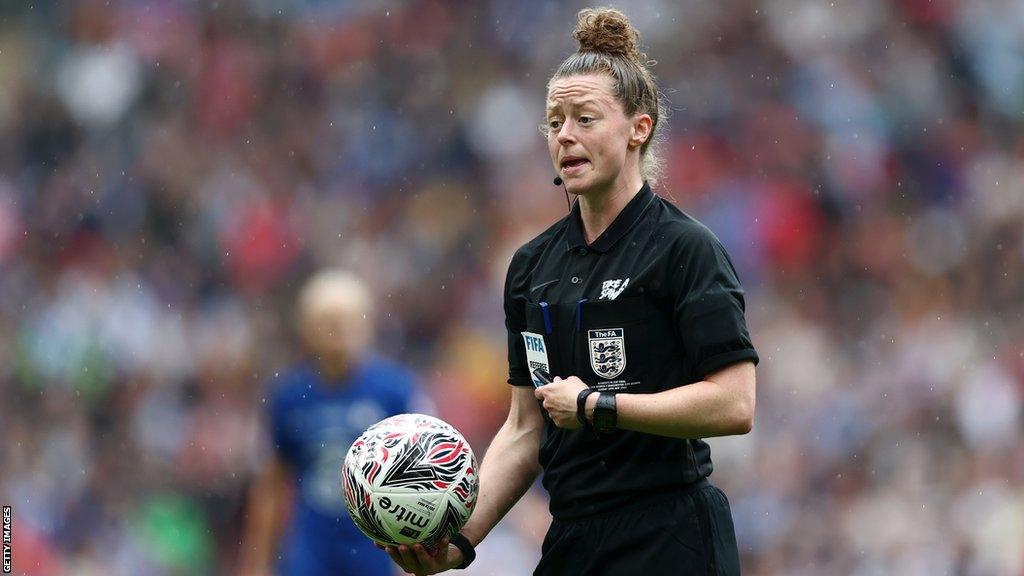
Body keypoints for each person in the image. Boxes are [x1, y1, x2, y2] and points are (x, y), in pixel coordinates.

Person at [383, 7, 758, 576]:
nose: (565, 135)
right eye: (555, 121)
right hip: (574, 539)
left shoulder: (686, 249)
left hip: (671, 534)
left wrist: (598, 407)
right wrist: (458, 541)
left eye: (585, 118)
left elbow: (734, 403)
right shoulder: (532, 266)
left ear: (640, 127)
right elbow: (525, 428)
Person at [238, 269, 431, 576]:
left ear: (365, 323)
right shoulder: (288, 395)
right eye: (327, 319)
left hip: (378, 546)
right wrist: (255, 562)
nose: (337, 328)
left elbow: (425, 476)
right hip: (311, 546)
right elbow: (270, 484)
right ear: (306, 326)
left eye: (346, 318)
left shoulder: (396, 391)